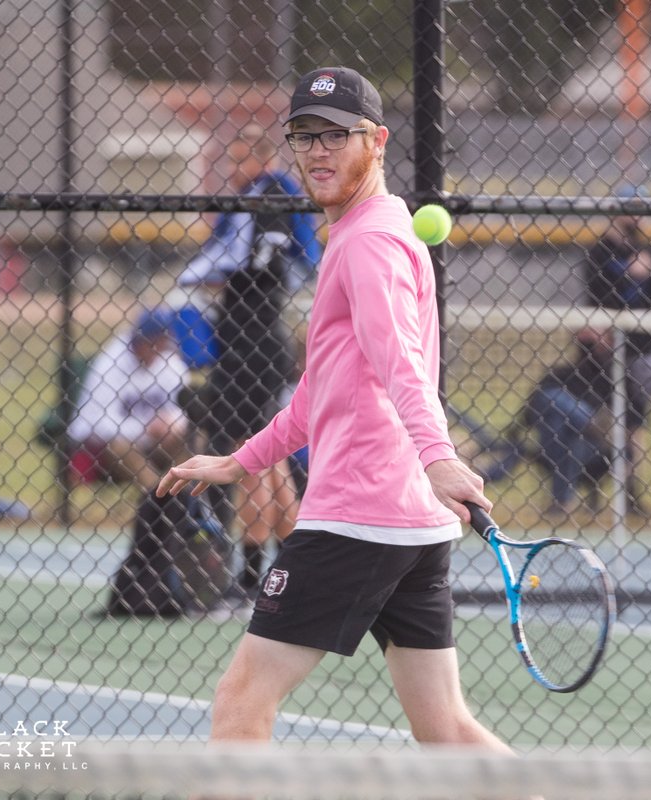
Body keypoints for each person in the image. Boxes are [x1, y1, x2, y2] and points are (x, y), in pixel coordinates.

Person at [156, 66, 514, 752]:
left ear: (376, 141)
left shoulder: (370, 242)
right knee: (445, 728)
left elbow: (398, 361)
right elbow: (324, 391)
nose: (318, 151)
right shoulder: (362, 234)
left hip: (359, 516)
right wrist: (241, 461)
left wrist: (439, 457)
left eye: (336, 136)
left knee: (240, 704)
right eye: (304, 137)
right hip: (411, 522)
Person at [176, 124, 322, 603]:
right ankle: (295, 566)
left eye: (240, 159)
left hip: (252, 345)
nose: (232, 170)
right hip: (251, 341)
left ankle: (252, 576)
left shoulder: (271, 193)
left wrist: (197, 278)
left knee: (250, 459)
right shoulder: (254, 197)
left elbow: (247, 258)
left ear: (261, 158)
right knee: (271, 460)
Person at [583, 185, 651, 516]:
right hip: (607, 350)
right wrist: (626, 274)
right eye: (630, 208)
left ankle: (631, 491)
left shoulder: (648, 252)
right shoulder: (599, 253)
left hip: (642, 348)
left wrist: (649, 271)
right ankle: (595, 485)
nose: (636, 216)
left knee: (635, 421)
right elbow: (594, 295)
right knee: (605, 420)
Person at [67, 308, 190, 493]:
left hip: (157, 445)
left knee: (194, 436)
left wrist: (172, 424)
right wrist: (146, 429)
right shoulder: (110, 363)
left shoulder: (169, 361)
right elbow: (97, 424)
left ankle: (186, 498)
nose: (158, 349)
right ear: (139, 341)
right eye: (152, 343)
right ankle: (159, 499)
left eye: (162, 343)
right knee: (120, 446)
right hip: (109, 451)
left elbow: (186, 410)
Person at [522, 327, 620, 517]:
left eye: (597, 334)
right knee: (552, 407)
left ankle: (561, 502)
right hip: (555, 440)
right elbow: (530, 412)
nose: (589, 339)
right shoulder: (562, 373)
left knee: (565, 433)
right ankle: (589, 419)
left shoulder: (613, 376)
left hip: (592, 445)